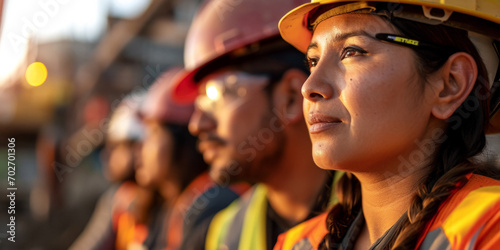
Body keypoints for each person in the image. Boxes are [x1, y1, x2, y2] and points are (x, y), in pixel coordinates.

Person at [274, 0, 500, 249]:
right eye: (313, 61)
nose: (310, 87)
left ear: (450, 83)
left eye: (352, 52)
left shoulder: (489, 226)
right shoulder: (298, 244)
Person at [172, 0, 338, 249]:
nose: (197, 124)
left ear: (291, 97)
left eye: (216, 94)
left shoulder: (384, 213)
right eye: (199, 101)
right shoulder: (223, 236)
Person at [138, 67, 249, 250]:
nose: (142, 147)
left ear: (182, 141)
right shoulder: (170, 204)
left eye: (154, 133)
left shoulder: (212, 202)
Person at [70, 92, 155, 250]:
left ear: (139, 149)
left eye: (116, 147)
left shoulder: (165, 208)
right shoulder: (118, 200)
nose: (106, 155)